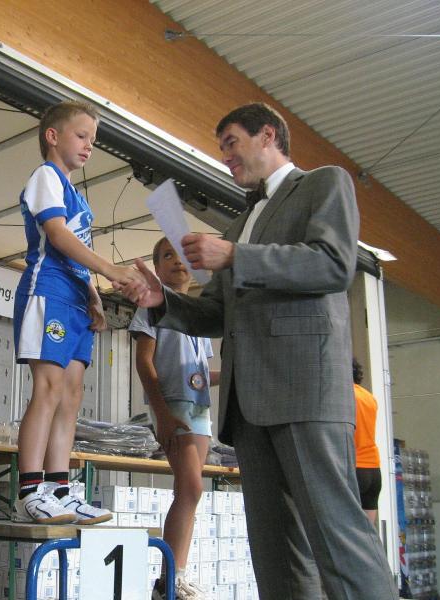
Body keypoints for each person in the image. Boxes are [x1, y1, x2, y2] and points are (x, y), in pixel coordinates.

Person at [119, 103, 397, 599]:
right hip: (247, 408)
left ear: (268, 135)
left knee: (337, 537)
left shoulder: (323, 183)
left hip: (305, 390)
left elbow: (334, 264)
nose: (225, 156)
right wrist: (164, 302)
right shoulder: (240, 224)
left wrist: (236, 256)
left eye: (231, 143)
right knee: (274, 550)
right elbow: (216, 313)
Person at [12, 100, 146, 524]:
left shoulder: (77, 195)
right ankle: (30, 491)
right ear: (53, 136)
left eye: (94, 139)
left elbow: (77, 247)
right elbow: (56, 235)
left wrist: (93, 294)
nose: (90, 146)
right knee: (49, 389)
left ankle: (59, 489)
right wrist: (109, 270)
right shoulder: (45, 177)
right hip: (48, 291)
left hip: (74, 297)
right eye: (82, 135)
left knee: (72, 395)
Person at [129, 237, 219, 600]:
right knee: (192, 487)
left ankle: (174, 577)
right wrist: (162, 414)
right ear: (156, 267)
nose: (178, 261)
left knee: (189, 492)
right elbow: (144, 362)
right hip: (174, 404)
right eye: (168, 256)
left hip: (200, 406)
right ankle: (170, 577)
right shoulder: (152, 305)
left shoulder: (198, 311)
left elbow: (202, 371)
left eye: (183, 256)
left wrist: (236, 373)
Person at [353, 358, 382, 527]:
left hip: (354, 468)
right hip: (373, 470)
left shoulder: (343, 396)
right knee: (368, 533)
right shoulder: (369, 397)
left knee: (347, 532)